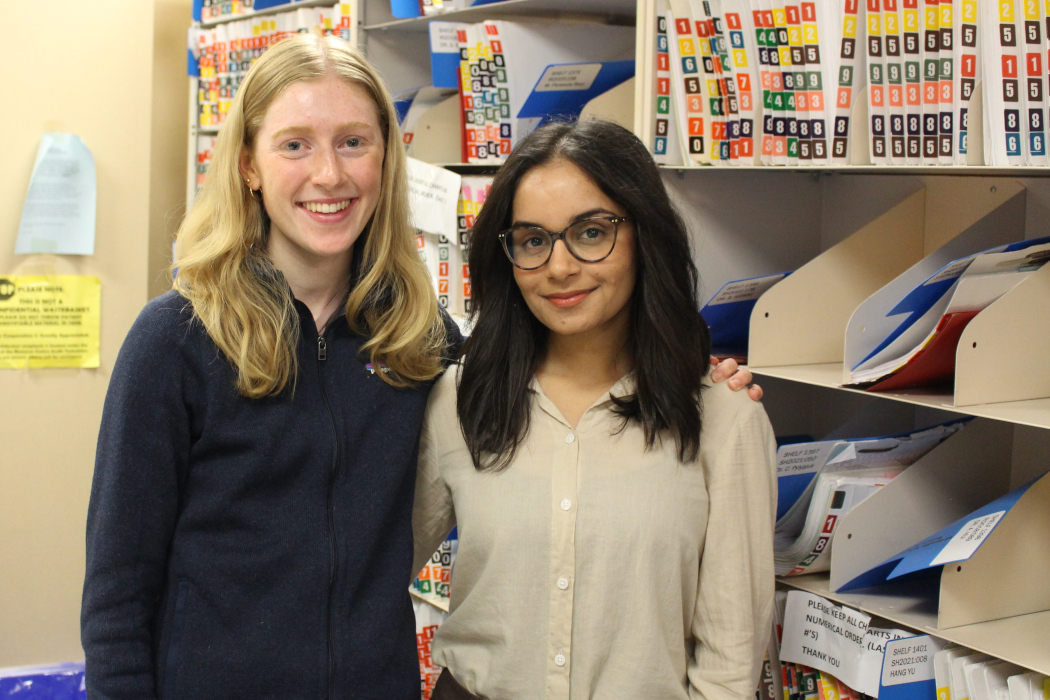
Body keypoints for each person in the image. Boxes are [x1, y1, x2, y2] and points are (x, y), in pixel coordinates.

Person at [81, 35, 758, 700]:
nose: (329, 174)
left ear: (386, 158)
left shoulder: (421, 346)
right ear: (249, 165)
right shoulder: (174, 342)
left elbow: (566, 365)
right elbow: (118, 592)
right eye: (294, 144)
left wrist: (698, 379)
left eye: (353, 141)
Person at [413, 119, 777, 700]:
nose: (559, 267)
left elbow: (730, 666)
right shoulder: (459, 401)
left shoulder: (724, 418)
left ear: (644, 235)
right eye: (533, 240)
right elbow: (367, 574)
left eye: (590, 233)